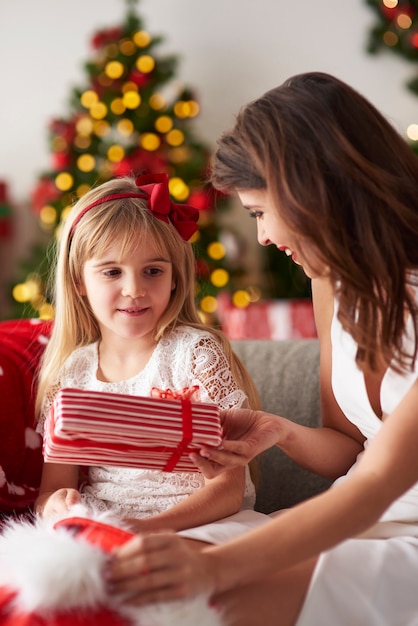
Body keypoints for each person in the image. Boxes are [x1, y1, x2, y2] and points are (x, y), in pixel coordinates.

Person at [104, 72, 418, 626]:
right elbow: (350, 449)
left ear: (315, 192)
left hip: (394, 533)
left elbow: (374, 485)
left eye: (259, 212)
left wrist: (216, 571)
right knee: (129, 578)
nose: (264, 238)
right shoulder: (333, 285)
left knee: (200, 596)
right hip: (352, 519)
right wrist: (281, 432)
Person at [34, 172, 261, 542]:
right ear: (79, 281)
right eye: (111, 272)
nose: (134, 289)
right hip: (105, 531)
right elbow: (52, 490)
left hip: (203, 528)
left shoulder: (194, 353)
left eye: (152, 271)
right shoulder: (72, 372)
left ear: (175, 277)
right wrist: (57, 505)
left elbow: (228, 488)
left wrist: (142, 532)